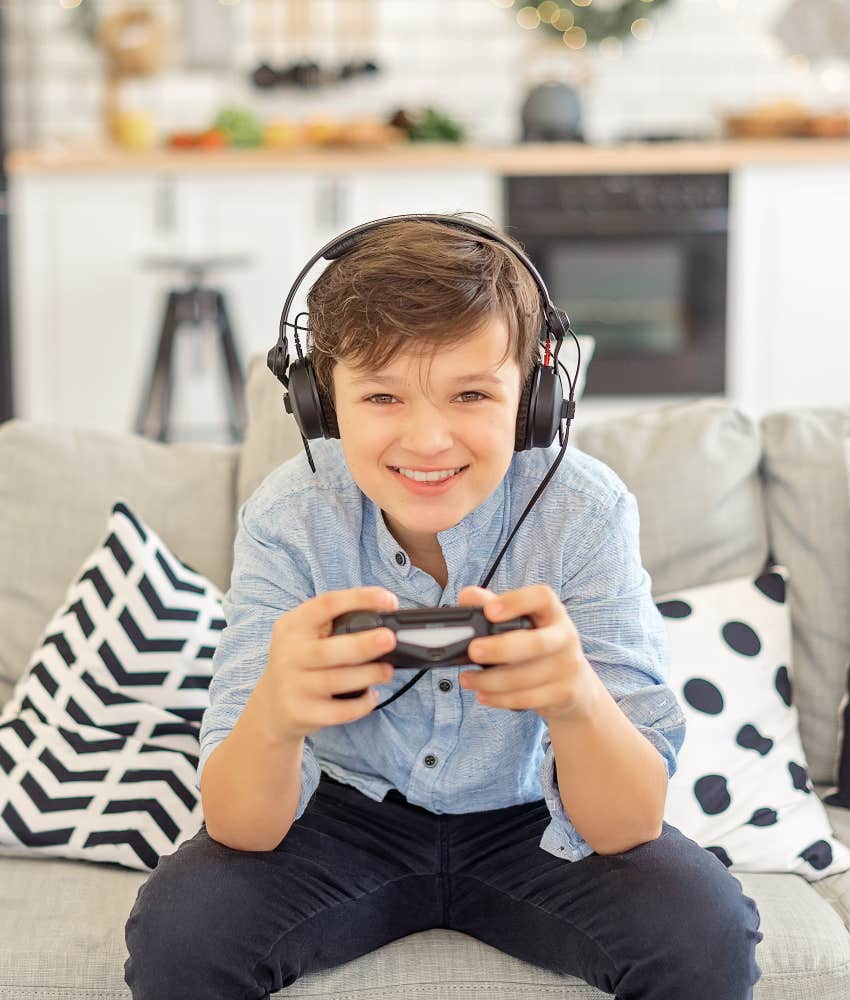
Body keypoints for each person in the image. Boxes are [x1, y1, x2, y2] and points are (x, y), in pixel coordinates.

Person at [124, 214, 763, 999]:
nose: (428, 440)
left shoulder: (585, 513)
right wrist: (274, 718)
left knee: (703, 927)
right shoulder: (291, 516)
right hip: (345, 817)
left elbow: (627, 827)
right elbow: (238, 826)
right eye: (383, 395)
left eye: (470, 393)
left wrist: (577, 700)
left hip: (530, 818)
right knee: (181, 926)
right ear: (320, 401)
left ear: (534, 396)